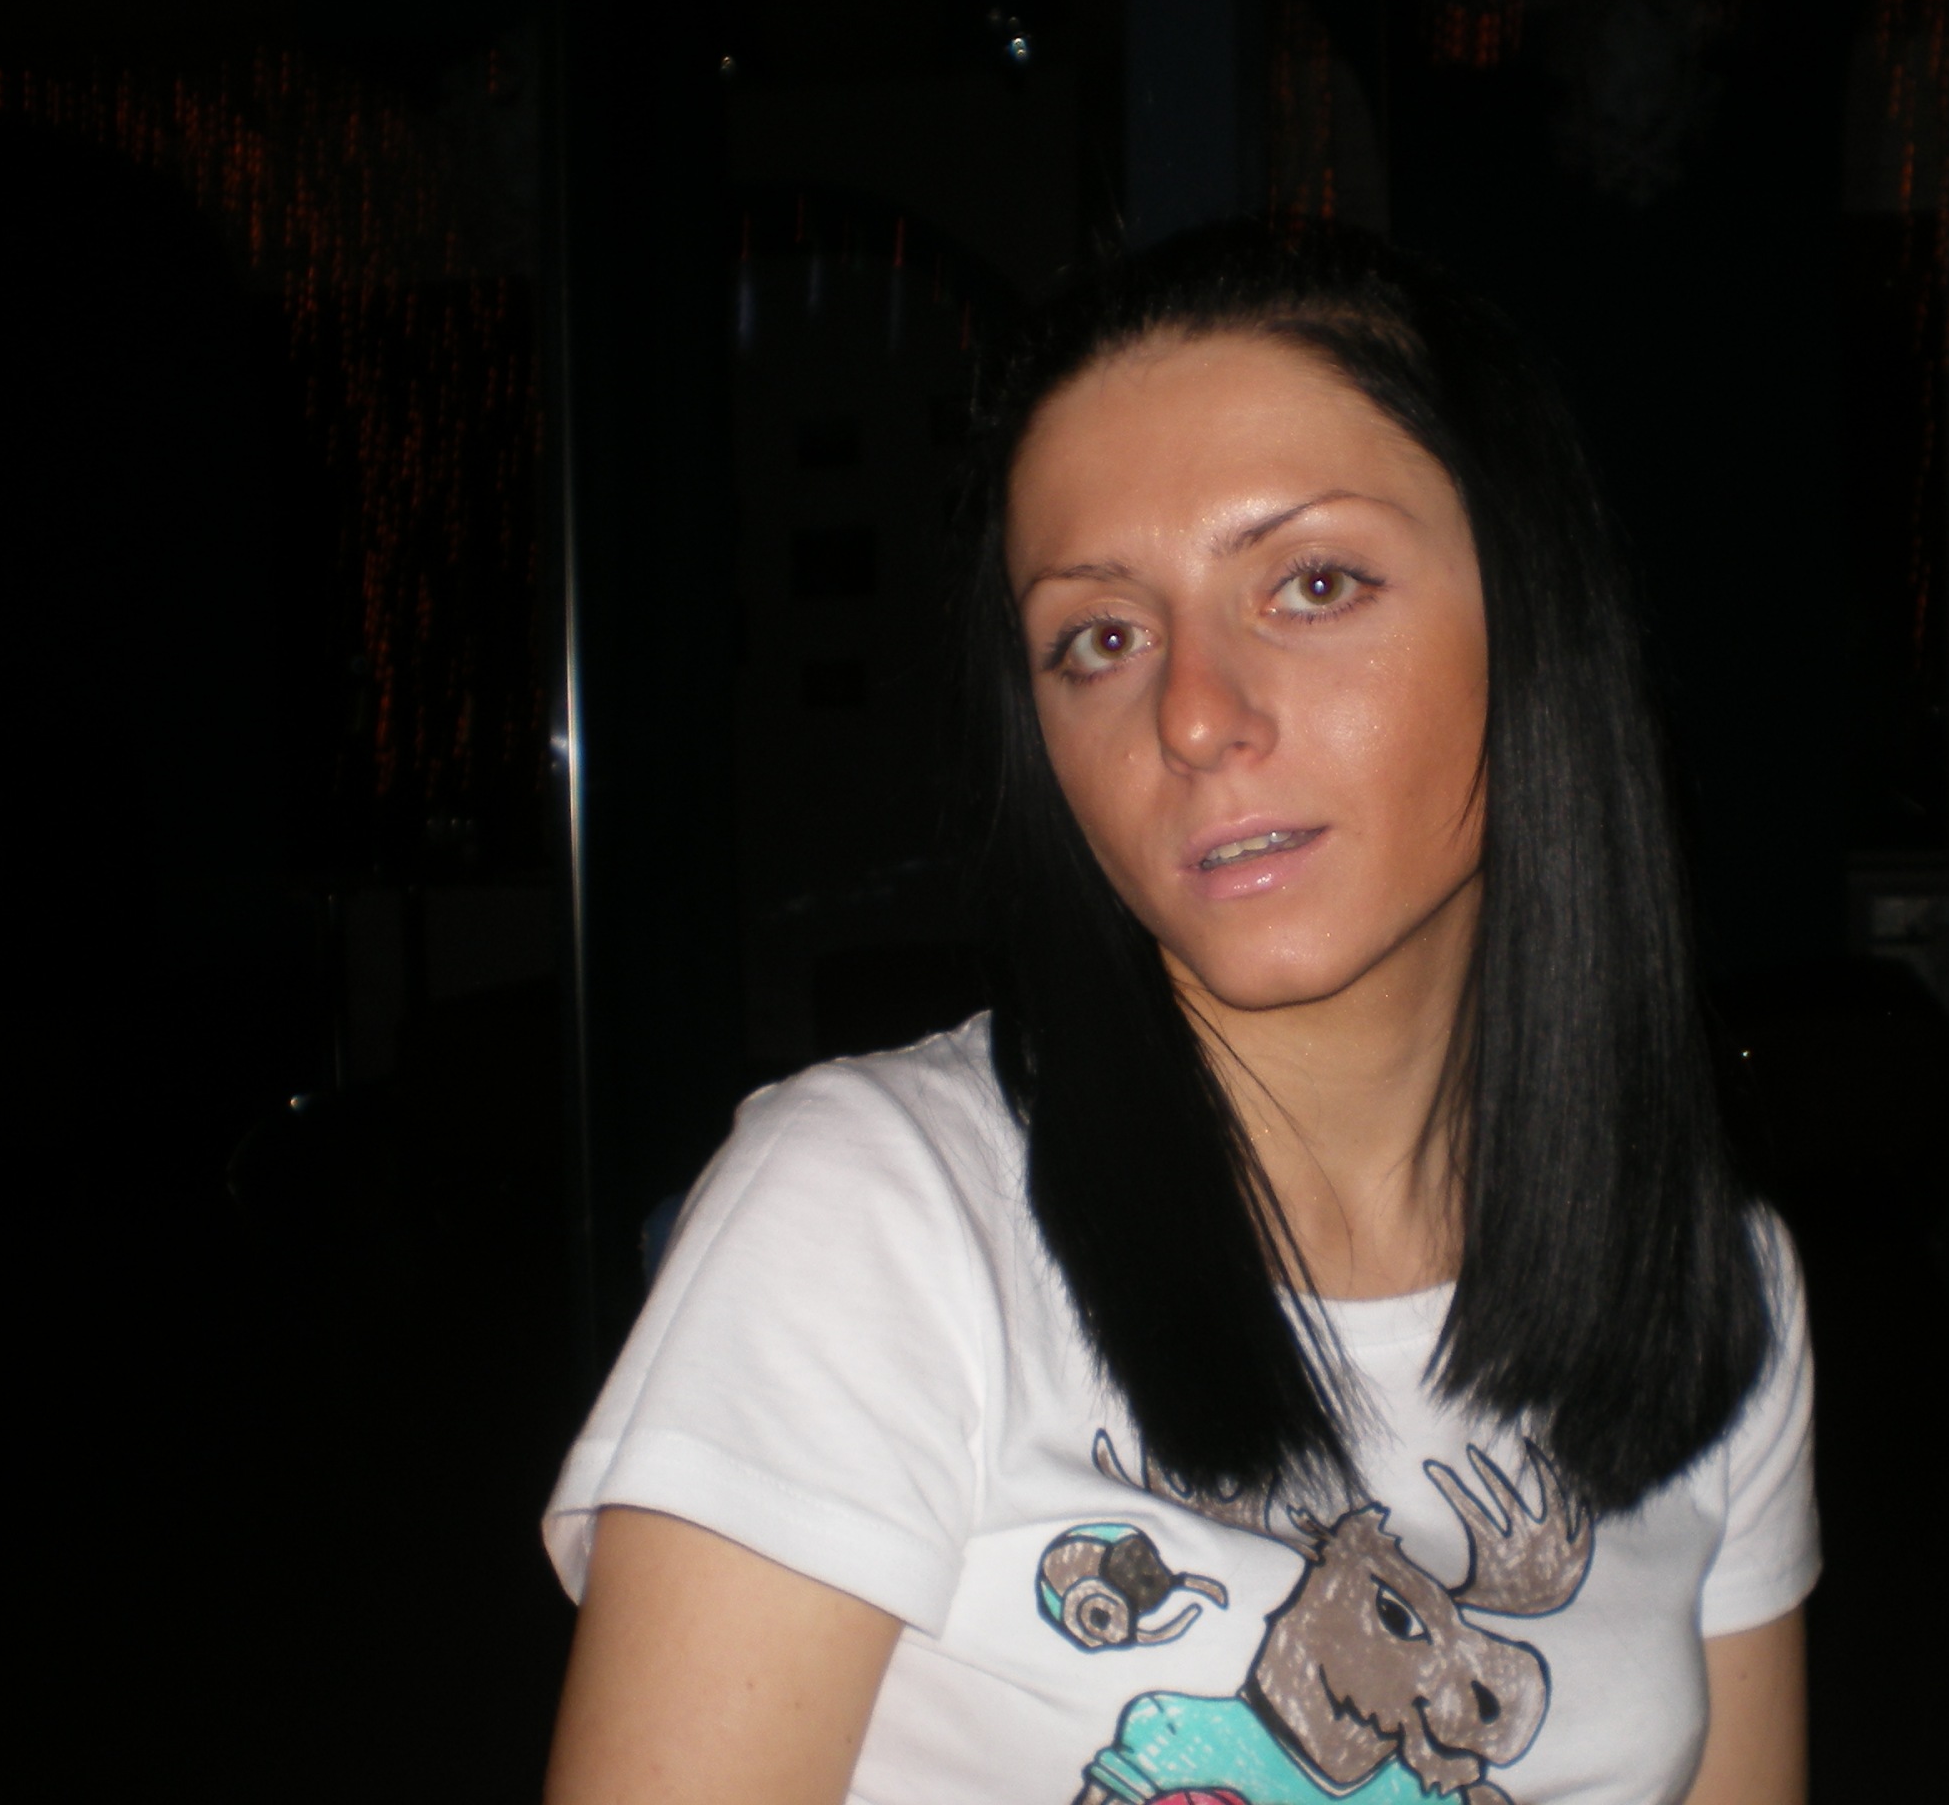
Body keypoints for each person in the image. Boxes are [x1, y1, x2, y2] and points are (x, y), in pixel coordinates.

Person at [542, 223, 1817, 1805]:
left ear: (1535, 618)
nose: (1195, 713)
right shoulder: (880, 1214)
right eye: (1103, 638)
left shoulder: (1715, 1284)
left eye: (1314, 584)